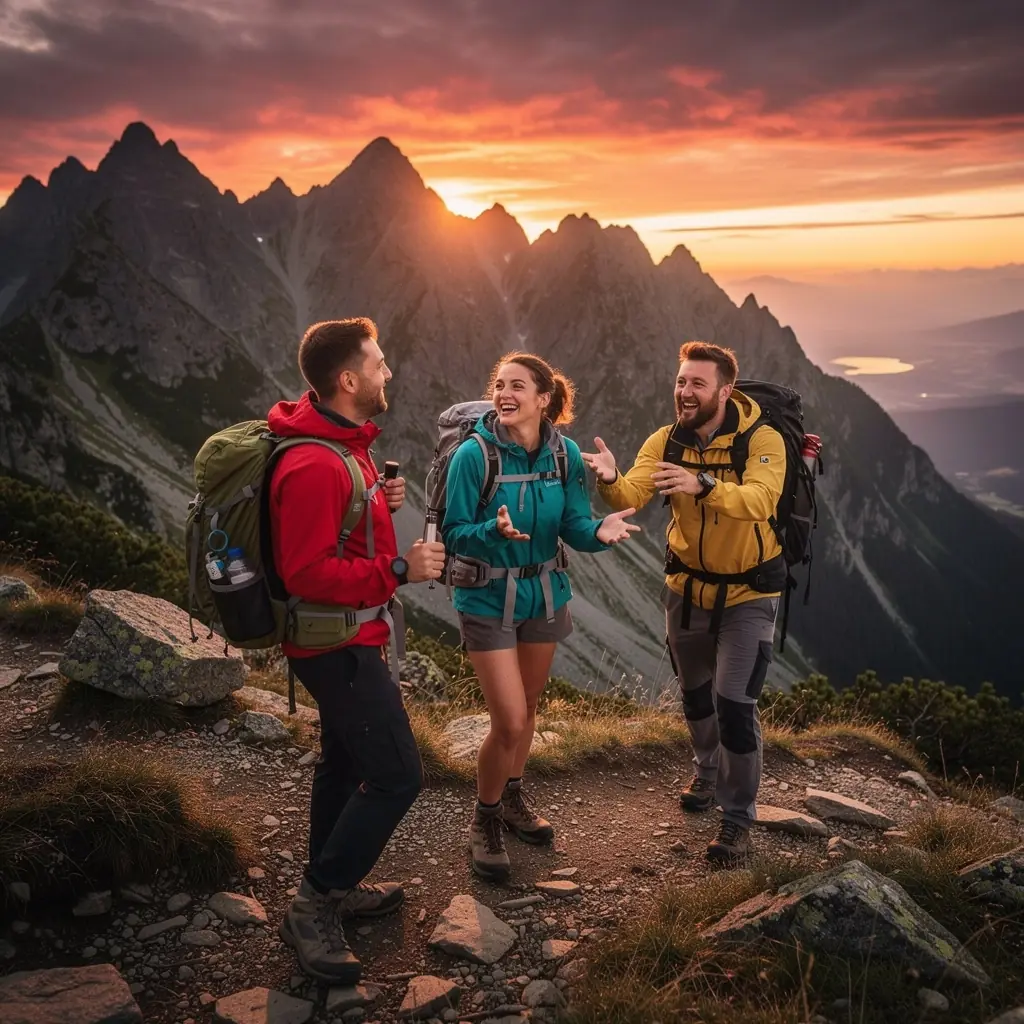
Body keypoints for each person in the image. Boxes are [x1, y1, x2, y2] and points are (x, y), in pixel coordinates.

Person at [268, 318, 446, 983]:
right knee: (399, 773)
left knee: (343, 762)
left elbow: (340, 530)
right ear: (348, 380)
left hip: (349, 636)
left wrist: (378, 497)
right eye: (378, 364)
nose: (388, 372)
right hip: (332, 642)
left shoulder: (340, 444)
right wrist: (400, 572)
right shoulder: (315, 462)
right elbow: (305, 572)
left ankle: (333, 884)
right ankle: (314, 904)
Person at [582, 341, 786, 865]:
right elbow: (632, 494)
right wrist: (609, 480)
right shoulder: (666, 439)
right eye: (680, 381)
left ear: (725, 390)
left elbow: (763, 499)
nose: (685, 392)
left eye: (697, 383)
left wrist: (703, 485)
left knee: (735, 707)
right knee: (695, 695)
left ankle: (737, 818)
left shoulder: (762, 438)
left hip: (748, 594)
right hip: (686, 591)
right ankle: (707, 770)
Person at [442, 352, 639, 880]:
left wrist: (598, 533)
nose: (504, 394)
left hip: (545, 594)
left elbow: (573, 523)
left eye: (517, 386)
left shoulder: (564, 454)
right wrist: (493, 533)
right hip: (485, 598)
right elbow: (454, 532)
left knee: (527, 709)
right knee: (507, 719)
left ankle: (511, 798)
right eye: (499, 384)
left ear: (544, 398)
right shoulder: (473, 456)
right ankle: (483, 820)